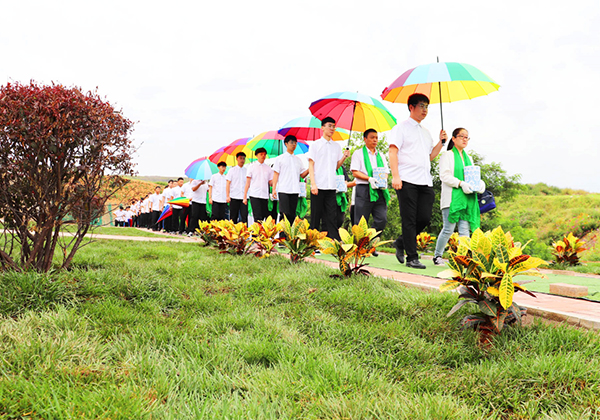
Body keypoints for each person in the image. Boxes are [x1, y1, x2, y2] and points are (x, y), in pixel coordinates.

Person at [389, 93, 447, 269]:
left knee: (424, 217)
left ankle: (400, 242)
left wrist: (440, 143)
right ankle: (411, 258)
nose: (425, 110)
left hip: (425, 181)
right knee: (409, 219)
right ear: (411, 107)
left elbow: (429, 157)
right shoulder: (401, 128)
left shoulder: (426, 132)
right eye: (421, 106)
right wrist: (395, 176)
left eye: (427, 106)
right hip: (406, 180)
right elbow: (393, 152)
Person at [433, 128, 485, 265]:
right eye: (461, 136)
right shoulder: (447, 155)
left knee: (464, 231)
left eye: (467, 137)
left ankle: (465, 258)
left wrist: (479, 184)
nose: (464, 139)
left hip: (466, 199)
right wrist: (460, 183)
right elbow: (444, 176)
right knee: (448, 229)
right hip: (451, 199)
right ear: (454, 138)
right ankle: (437, 256)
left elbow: (472, 176)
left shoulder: (469, 158)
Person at [307, 117, 350, 240]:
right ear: (322, 127)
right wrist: (313, 184)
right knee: (316, 216)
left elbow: (335, 166)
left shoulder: (336, 146)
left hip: (331, 186)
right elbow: (311, 164)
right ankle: (312, 243)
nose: (332, 128)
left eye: (333, 126)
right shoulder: (315, 145)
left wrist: (344, 158)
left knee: (332, 216)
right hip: (318, 185)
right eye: (329, 126)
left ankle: (332, 242)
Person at [351, 128, 390, 255]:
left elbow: (386, 172)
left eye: (376, 138)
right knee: (361, 220)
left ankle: (371, 243)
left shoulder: (381, 155)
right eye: (372, 137)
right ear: (365, 139)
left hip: (379, 190)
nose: (375, 140)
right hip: (363, 189)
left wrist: (383, 181)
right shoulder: (358, 154)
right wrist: (369, 178)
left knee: (382, 219)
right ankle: (359, 247)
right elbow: (355, 171)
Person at [271, 135, 309, 225]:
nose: (294, 145)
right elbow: (275, 174)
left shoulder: (298, 160)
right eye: (291, 142)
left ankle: (290, 237)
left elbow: (302, 175)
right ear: (286, 144)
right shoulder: (279, 159)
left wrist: (310, 168)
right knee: (284, 214)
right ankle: (282, 236)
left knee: (292, 214)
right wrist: (274, 190)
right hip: (283, 189)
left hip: (295, 190)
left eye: (295, 143)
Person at [243, 147, 273, 223]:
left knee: (263, 216)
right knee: (257, 216)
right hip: (254, 194)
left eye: (264, 154)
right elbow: (247, 182)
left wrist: (276, 175)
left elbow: (271, 183)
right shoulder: (251, 166)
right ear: (256, 155)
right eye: (261, 154)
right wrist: (244, 196)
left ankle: (261, 233)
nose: (263, 156)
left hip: (264, 195)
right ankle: (256, 234)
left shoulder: (268, 168)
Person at [226, 152, 248, 224]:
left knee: (244, 217)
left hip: (244, 198)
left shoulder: (247, 171)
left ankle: (244, 234)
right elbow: (228, 183)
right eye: (240, 158)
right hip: (234, 196)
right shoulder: (232, 170)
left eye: (243, 159)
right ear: (237, 159)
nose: (242, 160)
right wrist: (227, 196)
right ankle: (232, 234)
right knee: (233, 217)